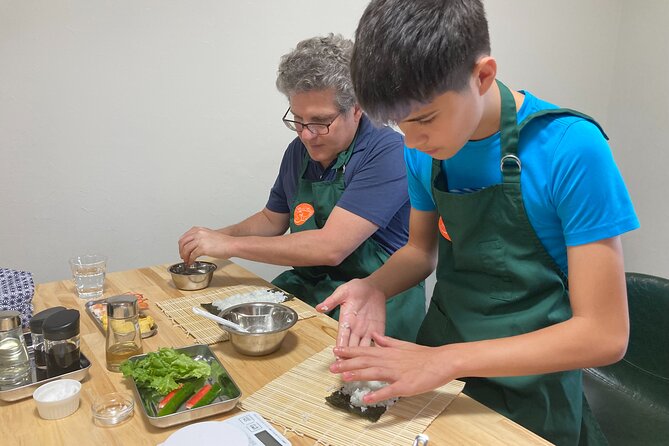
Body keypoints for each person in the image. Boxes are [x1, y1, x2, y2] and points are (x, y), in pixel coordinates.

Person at [317, 2, 639, 445]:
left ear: (483, 75)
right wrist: (374, 286)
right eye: (397, 124)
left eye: (425, 120)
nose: (411, 141)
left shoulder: (570, 149)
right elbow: (418, 251)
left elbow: (604, 334)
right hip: (440, 360)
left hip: (531, 380)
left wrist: (448, 360)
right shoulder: (421, 149)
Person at [178, 34, 425, 342]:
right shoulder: (300, 151)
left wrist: (229, 247)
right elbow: (273, 219)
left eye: (320, 122)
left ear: (357, 108)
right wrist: (214, 238)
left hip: (374, 299)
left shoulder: (388, 153)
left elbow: (331, 247)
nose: (307, 135)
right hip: (310, 288)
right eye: (298, 119)